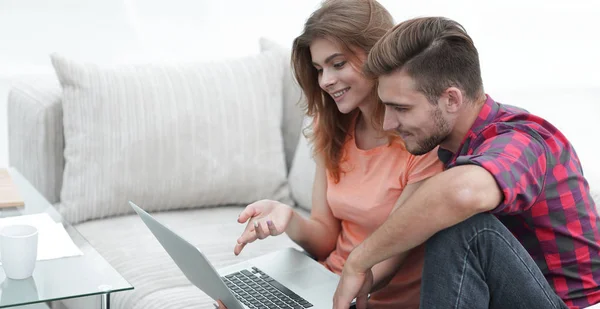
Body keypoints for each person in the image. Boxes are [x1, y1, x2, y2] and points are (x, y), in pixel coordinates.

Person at [332, 16, 600, 309]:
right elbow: (398, 237)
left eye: (401, 108)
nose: (388, 123)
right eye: (386, 106)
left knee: (464, 227)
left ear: (451, 99)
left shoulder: (523, 139)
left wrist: (359, 259)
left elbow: (461, 194)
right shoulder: (449, 151)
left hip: (570, 305)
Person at [216, 1, 443, 308]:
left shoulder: (420, 142)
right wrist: (288, 217)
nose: (325, 81)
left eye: (338, 64)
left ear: (379, 54)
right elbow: (325, 239)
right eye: (319, 69)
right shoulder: (333, 125)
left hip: (366, 298)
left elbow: (387, 263)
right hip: (323, 285)